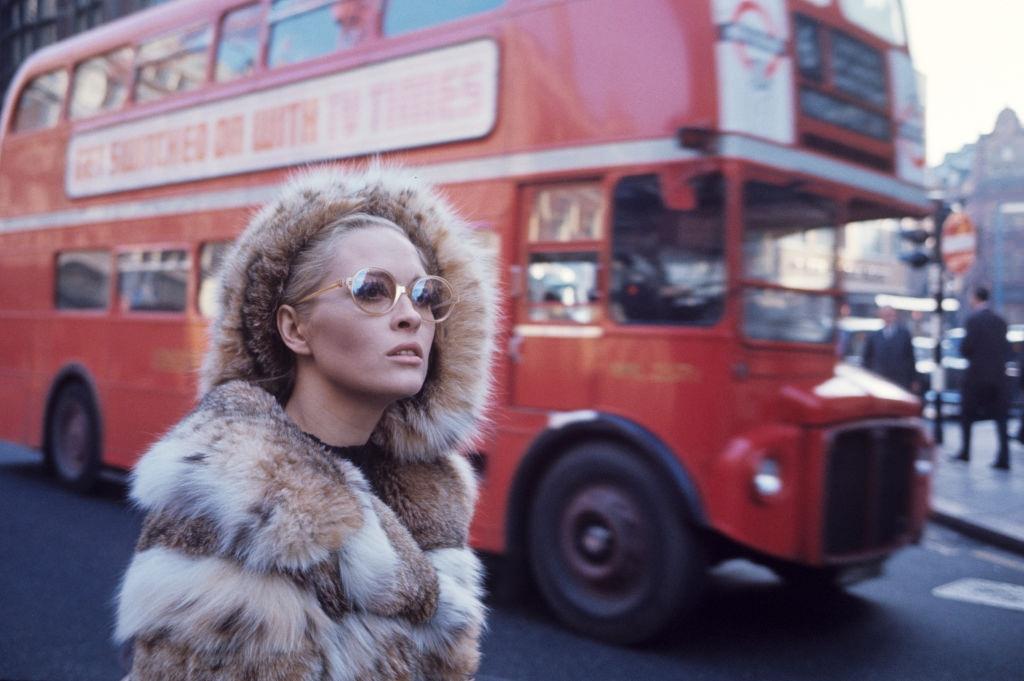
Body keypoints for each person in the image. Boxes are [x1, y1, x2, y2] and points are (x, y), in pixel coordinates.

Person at [114, 165, 497, 679]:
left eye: (423, 294)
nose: (411, 316)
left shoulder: (430, 500)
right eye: (372, 289)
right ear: (295, 328)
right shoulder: (232, 508)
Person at [954, 287, 1011, 470]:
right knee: (1001, 419)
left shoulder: (973, 320)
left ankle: (966, 451)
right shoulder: (1000, 321)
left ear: (975, 298)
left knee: (967, 414)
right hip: (997, 377)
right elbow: (1006, 349)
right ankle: (1004, 457)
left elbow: (965, 348)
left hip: (977, 376)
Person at [862, 305, 917, 391]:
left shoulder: (904, 334)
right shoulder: (874, 336)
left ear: (895, 316)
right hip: (880, 380)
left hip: (900, 380)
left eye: (890, 314)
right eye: (886, 315)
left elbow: (910, 358)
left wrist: (913, 379)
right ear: (881, 316)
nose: (888, 317)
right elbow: (867, 359)